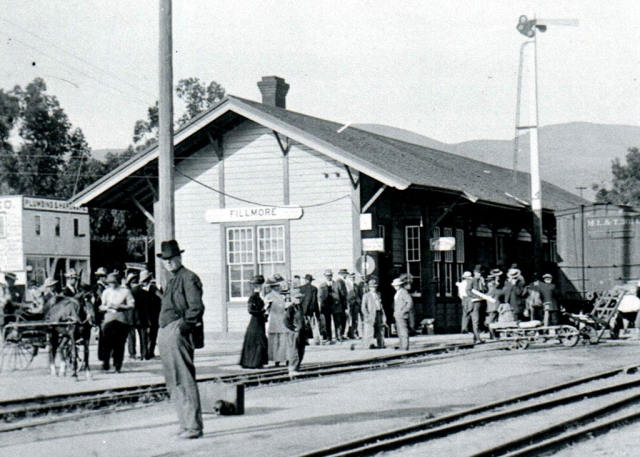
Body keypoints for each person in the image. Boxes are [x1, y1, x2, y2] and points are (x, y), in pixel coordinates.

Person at [157, 240, 205, 440]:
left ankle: (193, 426)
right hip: (167, 330)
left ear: (179, 257)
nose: (168, 263)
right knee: (173, 380)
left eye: (172, 259)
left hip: (177, 330)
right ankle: (185, 423)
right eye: (165, 260)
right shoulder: (172, 280)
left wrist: (181, 328)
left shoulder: (188, 278)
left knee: (183, 378)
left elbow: (196, 308)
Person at [99, 272, 135, 373]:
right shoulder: (106, 292)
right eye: (109, 283)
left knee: (120, 343)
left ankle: (117, 364)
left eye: (113, 282)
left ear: (117, 282)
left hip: (121, 318)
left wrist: (120, 306)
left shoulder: (125, 291)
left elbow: (131, 304)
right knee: (107, 342)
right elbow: (102, 306)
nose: (112, 285)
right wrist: (106, 307)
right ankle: (106, 363)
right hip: (109, 317)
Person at [239, 275, 269, 369]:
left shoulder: (258, 297)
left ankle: (256, 362)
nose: (261, 287)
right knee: (259, 341)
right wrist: (264, 309)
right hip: (255, 322)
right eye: (260, 286)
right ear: (258, 286)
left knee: (259, 341)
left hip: (259, 321)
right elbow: (251, 311)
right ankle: (254, 363)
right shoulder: (253, 298)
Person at [265, 276, 288, 366]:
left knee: (282, 340)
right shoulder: (269, 296)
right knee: (274, 341)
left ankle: (282, 357)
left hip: (281, 320)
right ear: (273, 287)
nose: (279, 287)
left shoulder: (280, 296)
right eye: (277, 286)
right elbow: (267, 308)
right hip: (273, 320)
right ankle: (275, 359)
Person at [318, 269, 346, 343]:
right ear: (325, 276)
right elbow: (319, 297)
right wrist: (323, 303)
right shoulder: (322, 285)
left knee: (338, 322)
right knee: (327, 323)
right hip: (326, 307)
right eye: (327, 276)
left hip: (336, 306)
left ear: (332, 276)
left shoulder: (337, 284)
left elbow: (342, 295)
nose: (328, 277)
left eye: (330, 275)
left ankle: (338, 336)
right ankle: (328, 337)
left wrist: (344, 306)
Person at [284, 288, 306, 375]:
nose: (298, 299)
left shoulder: (299, 307)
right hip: (294, 333)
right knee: (294, 350)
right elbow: (286, 320)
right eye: (297, 298)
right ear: (293, 298)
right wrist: (293, 328)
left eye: (300, 298)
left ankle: (297, 367)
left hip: (301, 331)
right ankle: (292, 368)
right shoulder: (291, 308)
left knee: (301, 350)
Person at [128, 272, 150, 360]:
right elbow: (147, 306)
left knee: (131, 337)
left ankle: (132, 354)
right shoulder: (144, 292)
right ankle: (144, 354)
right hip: (142, 317)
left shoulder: (129, 291)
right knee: (143, 336)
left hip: (131, 317)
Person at [140, 270, 161, 359]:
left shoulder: (141, 289)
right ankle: (149, 352)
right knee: (152, 335)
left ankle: (145, 353)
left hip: (146, 315)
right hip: (152, 315)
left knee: (145, 335)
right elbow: (162, 298)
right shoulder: (154, 288)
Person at [361, 276, 386, 349]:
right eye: (372, 287)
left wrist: (383, 314)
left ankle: (380, 344)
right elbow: (363, 307)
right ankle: (367, 345)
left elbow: (380, 304)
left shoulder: (378, 294)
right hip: (371, 315)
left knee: (380, 330)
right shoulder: (366, 295)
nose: (374, 288)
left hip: (378, 314)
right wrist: (367, 316)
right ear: (369, 287)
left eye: (375, 287)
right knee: (369, 330)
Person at [466, 265, 486, 343]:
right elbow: (468, 291)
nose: (479, 274)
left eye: (480, 273)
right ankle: (477, 338)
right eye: (478, 273)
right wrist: (476, 296)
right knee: (475, 321)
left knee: (479, 320)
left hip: (481, 303)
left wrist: (484, 283)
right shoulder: (471, 281)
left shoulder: (481, 281)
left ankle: (476, 337)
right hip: (474, 303)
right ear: (474, 273)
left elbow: (484, 290)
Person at [299, 274, 320, 345]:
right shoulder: (314, 289)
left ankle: (305, 340)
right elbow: (314, 301)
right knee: (313, 326)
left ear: (305, 280)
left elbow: (300, 300)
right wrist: (316, 311)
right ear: (311, 281)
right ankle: (316, 340)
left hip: (302, 310)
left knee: (304, 326)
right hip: (311, 310)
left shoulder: (301, 288)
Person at [392, 276, 413, 350]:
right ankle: (402, 345)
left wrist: (403, 310)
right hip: (397, 314)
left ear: (400, 285)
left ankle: (404, 346)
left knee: (403, 330)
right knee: (399, 330)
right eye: (394, 285)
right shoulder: (398, 292)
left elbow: (409, 302)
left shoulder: (403, 292)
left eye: (397, 285)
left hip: (401, 314)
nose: (395, 287)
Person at [346, 272, 362, 339]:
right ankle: (347, 333)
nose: (352, 278)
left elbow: (358, 295)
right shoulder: (346, 285)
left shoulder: (356, 285)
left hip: (356, 304)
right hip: (349, 304)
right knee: (348, 319)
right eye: (351, 277)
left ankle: (354, 333)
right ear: (349, 278)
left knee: (355, 319)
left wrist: (359, 302)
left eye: (353, 277)